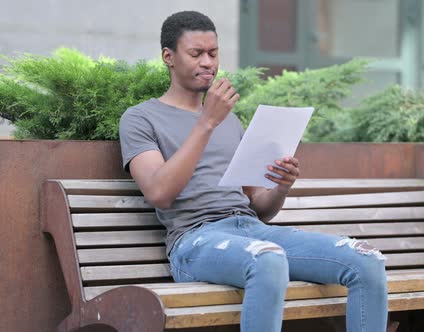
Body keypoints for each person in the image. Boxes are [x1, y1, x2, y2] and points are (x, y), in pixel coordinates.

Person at [119, 10, 388, 332]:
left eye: (213, 53)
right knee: (267, 259)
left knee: (366, 261)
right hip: (195, 241)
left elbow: (260, 207)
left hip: (251, 231)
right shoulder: (141, 119)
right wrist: (206, 122)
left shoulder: (230, 121)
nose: (208, 62)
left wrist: (281, 187)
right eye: (196, 53)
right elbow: (159, 193)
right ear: (169, 57)